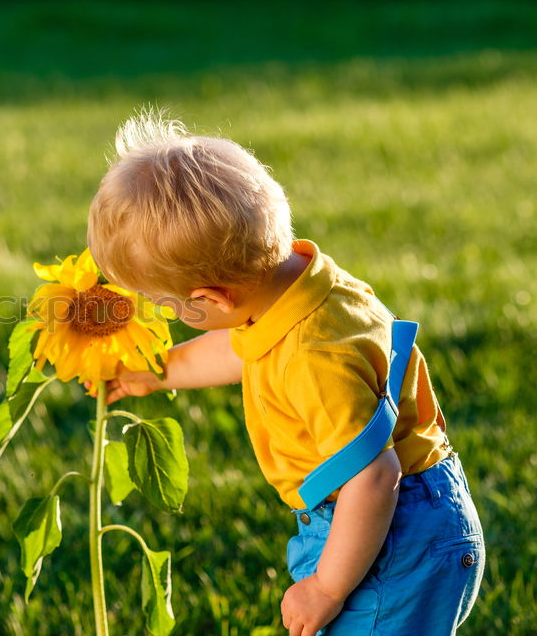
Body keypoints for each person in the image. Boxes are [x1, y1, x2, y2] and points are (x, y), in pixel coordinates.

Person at [86, 111, 485, 636]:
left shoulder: (315, 356)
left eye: (165, 305)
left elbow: (374, 476)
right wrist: (158, 371)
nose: (161, 313)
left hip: (391, 531)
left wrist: (327, 587)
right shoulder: (296, 288)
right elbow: (242, 346)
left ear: (210, 298)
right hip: (391, 516)